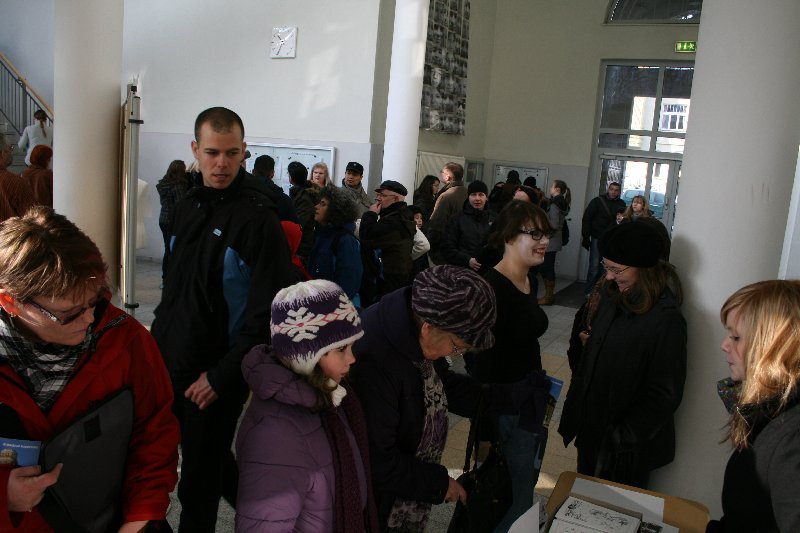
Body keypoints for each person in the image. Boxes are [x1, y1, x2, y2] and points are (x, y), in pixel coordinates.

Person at [150, 107, 293, 533]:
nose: (222, 164)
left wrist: (223, 377)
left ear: (244, 151)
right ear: (195, 149)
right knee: (191, 463)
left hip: (214, 375)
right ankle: (275, 516)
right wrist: (153, 353)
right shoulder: (187, 205)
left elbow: (267, 314)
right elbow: (172, 291)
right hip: (169, 361)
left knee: (198, 485)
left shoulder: (260, 220)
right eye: (212, 153)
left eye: (232, 153)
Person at [0, 206, 180, 532]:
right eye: (69, 313)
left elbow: (155, 436)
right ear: (10, 302)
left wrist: (139, 518)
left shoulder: (125, 340)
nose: (89, 319)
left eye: (94, 301)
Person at [349, 265, 549, 531]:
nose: (455, 355)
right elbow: (377, 460)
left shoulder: (416, 325)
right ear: (428, 328)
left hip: (404, 484)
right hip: (378, 503)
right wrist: (439, 483)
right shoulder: (374, 361)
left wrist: (511, 397)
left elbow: (447, 386)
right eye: (456, 346)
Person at [236, 280, 379, 532]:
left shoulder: (330, 397)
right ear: (307, 356)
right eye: (341, 349)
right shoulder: (275, 434)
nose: (352, 358)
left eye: (352, 346)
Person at [559, 222, 686, 488]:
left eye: (617, 270)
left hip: (625, 452)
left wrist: (618, 439)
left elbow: (663, 395)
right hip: (593, 433)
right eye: (606, 267)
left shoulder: (666, 319)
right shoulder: (613, 296)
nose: (608, 277)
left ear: (645, 268)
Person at [473, 200, 552, 531]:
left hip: (528, 401)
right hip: (505, 409)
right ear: (507, 236)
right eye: (534, 234)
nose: (544, 241)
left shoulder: (527, 280)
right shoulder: (490, 288)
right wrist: (484, 432)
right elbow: (480, 365)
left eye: (545, 233)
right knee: (509, 496)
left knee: (523, 486)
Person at [707, 280, 800, 533]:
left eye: (736, 337)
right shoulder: (767, 411)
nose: (724, 345)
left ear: (774, 346)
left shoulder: (792, 437)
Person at [358, 180, 416, 298]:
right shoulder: (401, 215)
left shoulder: (395, 220)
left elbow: (366, 237)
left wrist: (371, 214)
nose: (378, 199)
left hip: (390, 277)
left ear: (396, 199)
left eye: (383, 195)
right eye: (378, 195)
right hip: (396, 273)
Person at [308, 187, 363, 303]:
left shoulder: (345, 240)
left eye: (323, 204)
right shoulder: (323, 234)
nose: (316, 207)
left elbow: (349, 280)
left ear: (335, 210)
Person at [580, 182, 626, 298]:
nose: (613, 192)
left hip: (611, 239)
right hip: (598, 237)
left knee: (606, 268)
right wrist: (586, 236)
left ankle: (601, 292)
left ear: (619, 192)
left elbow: (622, 222)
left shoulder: (621, 204)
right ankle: (589, 292)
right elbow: (587, 218)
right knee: (594, 266)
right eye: (612, 189)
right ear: (608, 189)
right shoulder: (597, 201)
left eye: (616, 190)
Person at [441, 180, 495, 271]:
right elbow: (447, 248)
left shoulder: (494, 219)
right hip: (462, 271)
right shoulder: (457, 219)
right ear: (468, 197)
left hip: (487, 272)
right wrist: (467, 260)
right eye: (473, 194)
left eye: (481, 194)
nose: (477, 198)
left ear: (486, 197)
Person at [426, 162, 467, 264]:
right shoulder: (468, 193)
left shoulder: (446, 196)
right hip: (463, 249)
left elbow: (436, 224)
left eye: (442, 172)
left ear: (448, 177)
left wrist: (432, 249)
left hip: (446, 249)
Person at [538, 179, 570, 305]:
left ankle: (548, 297)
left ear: (557, 189)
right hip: (555, 239)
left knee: (547, 268)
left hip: (551, 239)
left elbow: (554, 224)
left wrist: (545, 235)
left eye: (552, 186)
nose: (550, 188)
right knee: (547, 267)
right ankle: (549, 296)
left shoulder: (555, 204)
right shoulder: (561, 202)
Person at [156, 159, 189, 269]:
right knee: (175, 248)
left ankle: (165, 274)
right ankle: (171, 273)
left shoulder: (163, 184)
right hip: (174, 220)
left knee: (167, 247)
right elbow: (181, 205)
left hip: (163, 219)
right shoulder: (178, 186)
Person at [251, 154, 299, 223]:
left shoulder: (241, 193)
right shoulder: (284, 199)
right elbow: (295, 225)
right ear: (272, 173)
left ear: (253, 171)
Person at [0, 135, 35, 223]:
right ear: (3, 153)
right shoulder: (16, 183)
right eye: (10, 148)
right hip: (9, 231)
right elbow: (33, 219)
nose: (12, 152)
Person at [288, 161, 318, 262]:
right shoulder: (298, 193)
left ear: (291, 177)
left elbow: (299, 224)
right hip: (298, 245)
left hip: (302, 248)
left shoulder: (303, 198)